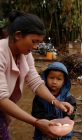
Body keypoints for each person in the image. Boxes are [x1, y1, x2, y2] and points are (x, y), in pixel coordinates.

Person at [0, 10, 74, 139]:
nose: (36, 47)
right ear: (18, 35)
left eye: (38, 42)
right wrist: (36, 122)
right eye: (34, 41)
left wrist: (56, 102)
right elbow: (1, 99)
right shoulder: (1, 53)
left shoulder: (25, 53)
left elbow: (35, 81)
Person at [32, 62, 76, 140]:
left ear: (64, 82)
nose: (54, 82)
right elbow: (36, 113)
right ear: (45, 78)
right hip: (43, 132)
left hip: (62, 132)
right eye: (51, 78)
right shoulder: (40, 97)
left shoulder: (68, 97)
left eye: (59, 79)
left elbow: (72, 110)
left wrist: (67, 117)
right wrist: (53, 120)